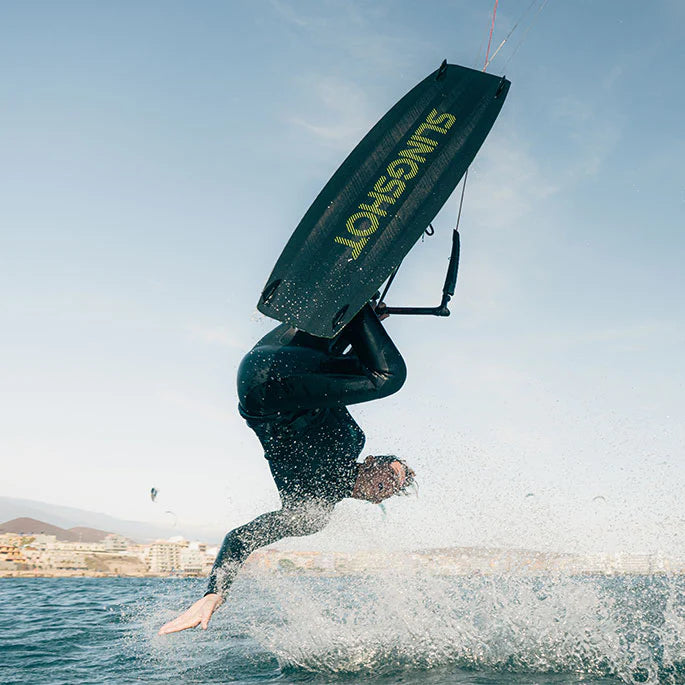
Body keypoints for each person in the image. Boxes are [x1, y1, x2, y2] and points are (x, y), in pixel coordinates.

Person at [159, 302, 413, 635]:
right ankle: (353, 308)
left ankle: (356, 310)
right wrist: (365, 331)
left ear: (380, 500)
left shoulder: (312, 512)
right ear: (371, 460)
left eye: (393, 485)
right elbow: (332, 383)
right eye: (389, 470)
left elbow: (241, 538)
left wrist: (214, 594)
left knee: (386, 377)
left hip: (262, 392)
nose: (388, 480)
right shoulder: (354, 439)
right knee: (381, 374)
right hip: (280, 359)